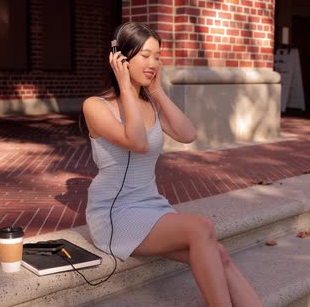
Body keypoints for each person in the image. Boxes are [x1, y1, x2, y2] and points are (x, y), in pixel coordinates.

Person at [82, 22, 262, 307]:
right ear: (120, 57)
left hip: (151, 206)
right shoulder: (95, 106)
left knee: (219, 252)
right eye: (145, 56)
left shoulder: (151, 104)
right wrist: (127, 87)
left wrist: (156, 91)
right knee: (201, 227)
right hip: (115, 215)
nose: (154, 63)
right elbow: (137, 142)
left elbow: (187, 134)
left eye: (157, 56)